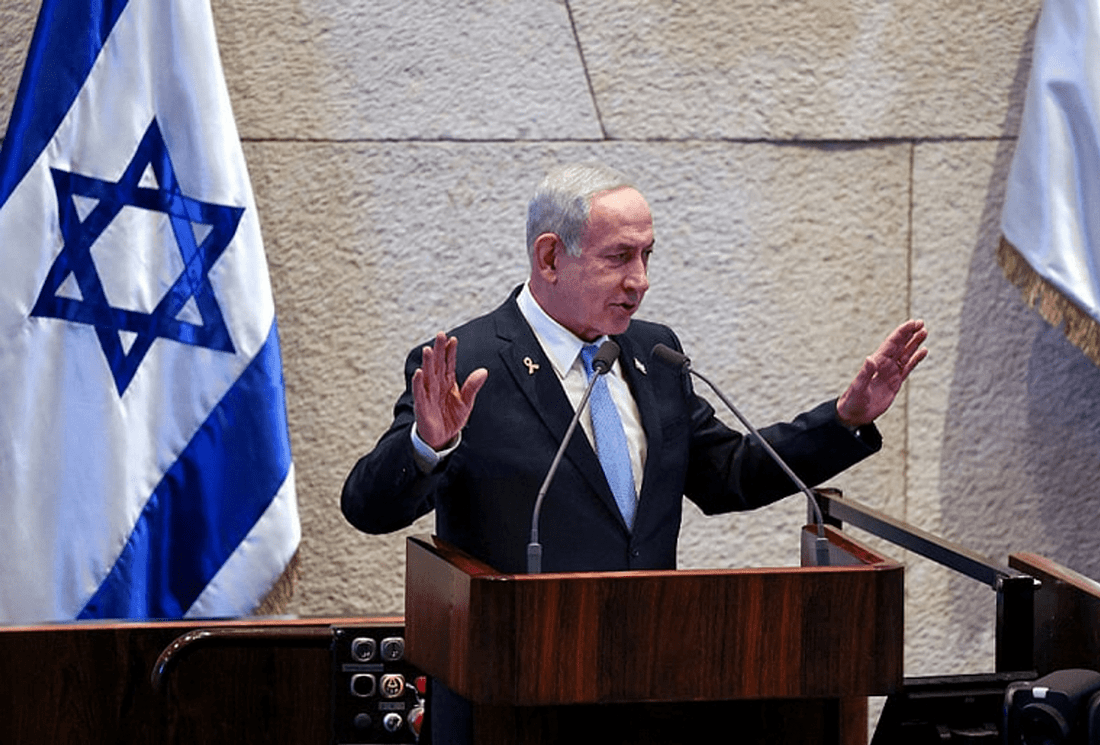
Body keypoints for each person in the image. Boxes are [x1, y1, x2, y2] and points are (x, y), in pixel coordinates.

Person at [341, 162, 927, 743]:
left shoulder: (652, 353)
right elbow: (367, 507)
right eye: (620, 257)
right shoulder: (467, 364)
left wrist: (844, 420)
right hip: (511, 704)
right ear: (550, 257)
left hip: (648, 690)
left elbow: (729, 474)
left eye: (647, 256)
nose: (640, 280)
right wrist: (429, 446)